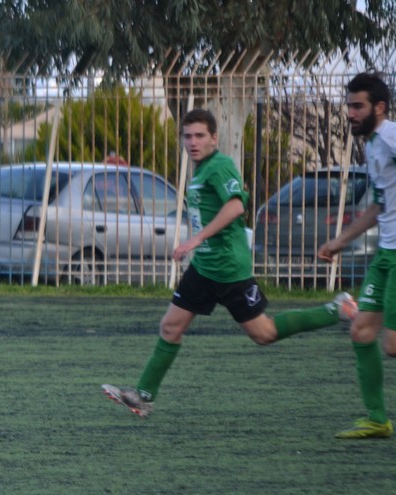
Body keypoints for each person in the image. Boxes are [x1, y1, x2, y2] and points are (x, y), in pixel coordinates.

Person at [102, 108, 358, 418]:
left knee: (264, 334)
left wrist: (196, 239)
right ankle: (143, 396)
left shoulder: (220, 165)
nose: (193, 142)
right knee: (170, 326)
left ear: (214, 137)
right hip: (204, 267)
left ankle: (336, 309)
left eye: (200, 136)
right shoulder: (201, 169)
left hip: (229, 268)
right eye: (187, 136)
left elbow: (236, 207)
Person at [318, 73, 396, 439]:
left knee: (392, 345)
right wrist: (340, 241)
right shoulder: (374, 146)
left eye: (357, 106)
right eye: (348, 105)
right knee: (362, 331)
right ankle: (378, 420)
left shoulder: (391, 136)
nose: (350, 113)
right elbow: (379, 207)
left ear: (379, 107)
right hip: (386, 253)